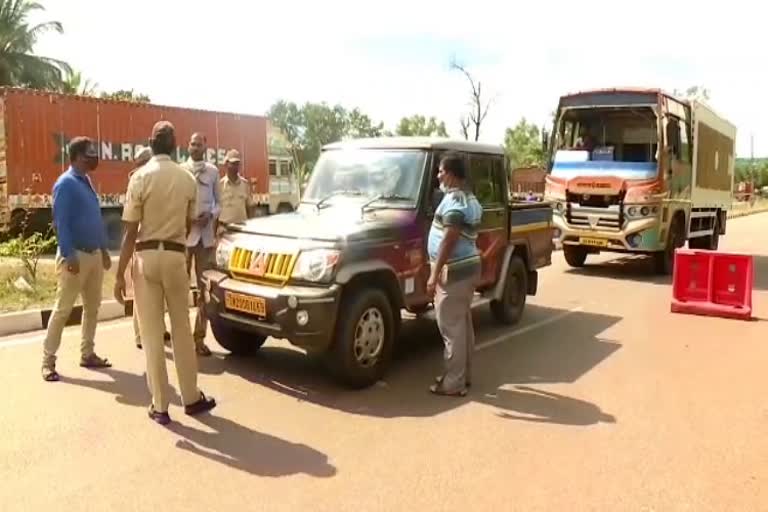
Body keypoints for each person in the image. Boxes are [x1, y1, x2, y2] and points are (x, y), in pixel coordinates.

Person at [114, 121, 216, 425]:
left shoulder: (139, 178)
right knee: (182, 331)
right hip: (175, 255)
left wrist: (120, 274)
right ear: (175, 146)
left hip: (146, 256)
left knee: (153, 334)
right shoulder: (187, 179)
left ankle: (160, 406)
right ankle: (191, 397)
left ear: (150, 143)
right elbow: (189, 224)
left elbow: (130, 231)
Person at [41, 137, 113, 381]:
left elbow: (94, 219)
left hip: (93, 255)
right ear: (78, 156)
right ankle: (48, 361)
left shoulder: (86, 182)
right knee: (63, 309)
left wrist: (104, 250)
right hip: (77, 256)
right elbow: (61, 223)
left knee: (92, 308)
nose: (95, 157)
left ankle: (88, 353)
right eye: (90, 153)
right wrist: (69, 255)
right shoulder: (66, 184)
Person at [426, 153, 483, 397]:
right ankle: (461, 375)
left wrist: (434, 273)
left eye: (440, 171)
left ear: (450, 173)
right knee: (461, 325)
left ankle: (453, 383)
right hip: (467, 269)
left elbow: (449, 238)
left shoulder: (455, 201)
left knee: (451, 329)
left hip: (455, 271)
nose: (438, 175)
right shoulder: (469, 199)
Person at [125, 146, 170, 349]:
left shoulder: (152, 178)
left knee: (158, 290)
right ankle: (140, 336)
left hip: (157, 241)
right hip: (142, 242)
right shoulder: (137, 180)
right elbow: (132, 220)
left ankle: (159, 329)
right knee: (141, 294)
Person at [181, 133, 220, 357]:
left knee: (204, 290)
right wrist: (186, 219)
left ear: (205, 146)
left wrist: (210, 215)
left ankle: (199, 338)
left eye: (199, 144)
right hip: (185, 238)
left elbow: (219, 204)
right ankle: (182, 336)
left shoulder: (212, 171)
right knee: (179, 289)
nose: (195, 147)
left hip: (205, 239)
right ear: (188, 146)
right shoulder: (181, 170)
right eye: (192, 143)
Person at [217, 149, 255, 234]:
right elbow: (215, 211)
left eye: (237, 164)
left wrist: (251, 226)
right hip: (225, 230)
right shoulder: (220, 185)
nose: (235, 167)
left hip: (242, 229)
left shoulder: (245, 184)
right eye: (233, 164)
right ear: (226, 164)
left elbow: (250, 207)